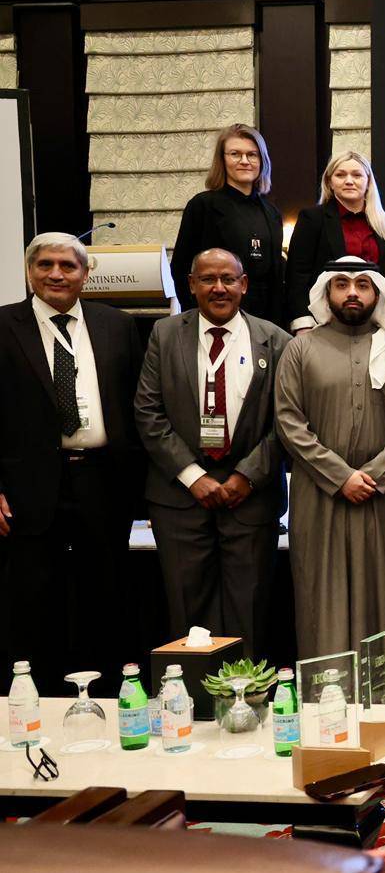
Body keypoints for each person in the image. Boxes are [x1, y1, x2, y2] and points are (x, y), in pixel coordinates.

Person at [0, 233, 145, 685]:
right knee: (34, 603)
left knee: (105, 597)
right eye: (45, 264)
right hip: (28, 488)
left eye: (68, 265)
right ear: (29, 272)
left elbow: (138, 406)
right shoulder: (3, 325)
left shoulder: (117, 325)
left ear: (86, 274)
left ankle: (106, 696)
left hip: (104, 482)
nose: (56, 274)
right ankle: (36, 699)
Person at [135, 248, 290, 657]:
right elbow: (148, 412)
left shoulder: (276, 340)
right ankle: (193, 694)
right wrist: (193, 477)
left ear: (244, 285)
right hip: (179, 499)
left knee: (249, 610)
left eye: (228, 279)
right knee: (188, 613)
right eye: (207, 279)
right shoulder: (165, 334)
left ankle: (245, 692)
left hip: (251, 497)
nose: (218, 288)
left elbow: (287, 421)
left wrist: (247, 476)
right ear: (191, 285)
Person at [274, 260, 385, 659]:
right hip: (318, 494)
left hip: (383, 495)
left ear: (377, 294)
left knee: (382, 597)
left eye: (362, 285)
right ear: (327, 293)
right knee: (319, 598)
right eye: (341, 284)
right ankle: (325, 690)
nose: (352, 292)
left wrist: (373, 475)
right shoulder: (300, 349)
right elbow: (288, 422)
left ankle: (380, 691)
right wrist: (340, 477)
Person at [171, 123, 284, 325]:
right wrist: (197, 318)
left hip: (264, 322)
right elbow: (181, 268)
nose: (244, 161)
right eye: (235, 154)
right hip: (214, 318)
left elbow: (275, 277)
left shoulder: (271, 212)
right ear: (222, 160)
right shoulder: (202, 206)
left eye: (252, 155)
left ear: (262, 160)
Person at [284, 151, 385, 333]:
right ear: (329, 182)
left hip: (375, 322)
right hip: (324, 321)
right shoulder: (312, 218)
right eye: (341, 175)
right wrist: (302, 323)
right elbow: (297, 276)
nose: (349, 181)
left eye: (357, 175)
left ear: (368, 181)